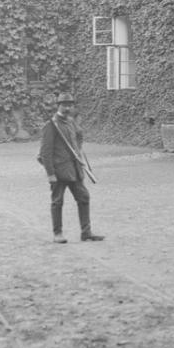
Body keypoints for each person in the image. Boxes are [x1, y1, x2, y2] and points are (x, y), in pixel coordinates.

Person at [39, 93, 104, 244]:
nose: (68, 107)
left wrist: (78, 150)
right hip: (59, 171)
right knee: (57, 202)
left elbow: (79, 136)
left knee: (84, 198)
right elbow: (45, 152)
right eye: (64, 105)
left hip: (75, 169)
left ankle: (86, 233)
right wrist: (50, 174)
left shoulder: (71, 122)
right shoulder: (51, 125)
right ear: (58, 105)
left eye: (70, 105)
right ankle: (58, 233)